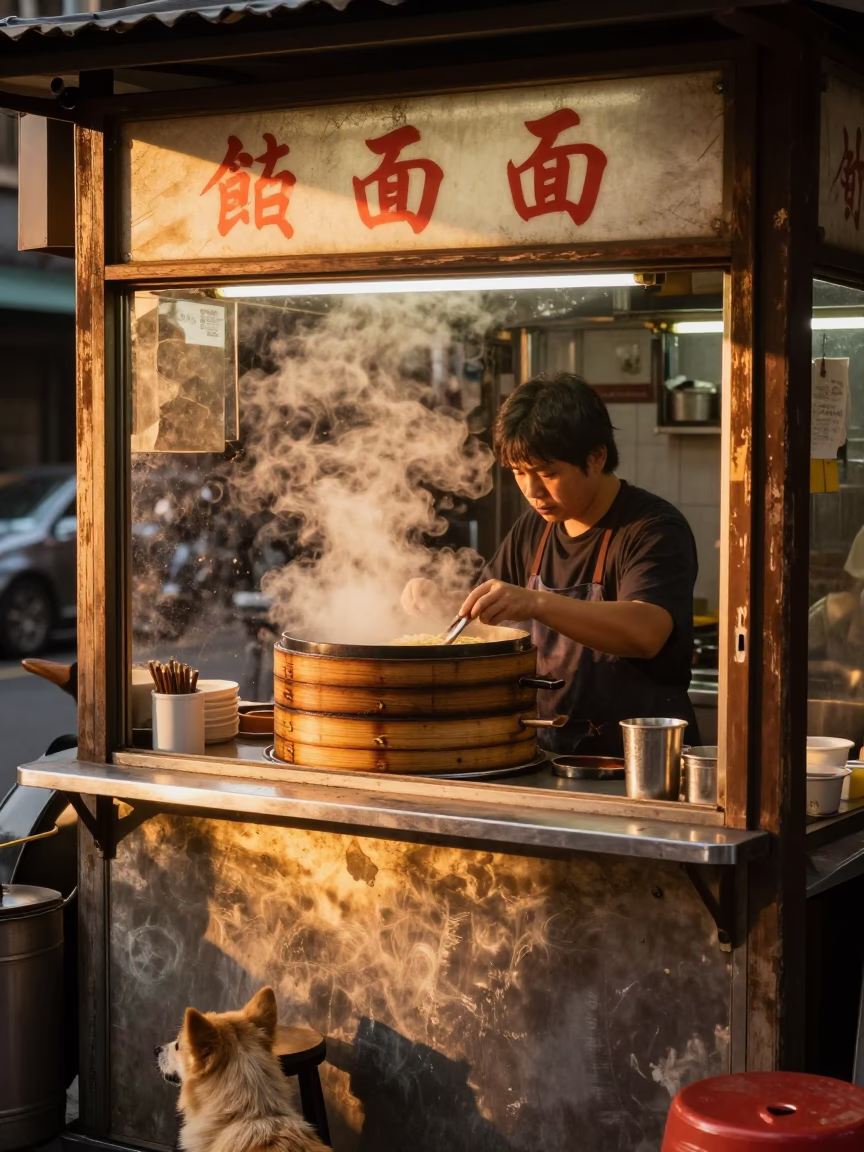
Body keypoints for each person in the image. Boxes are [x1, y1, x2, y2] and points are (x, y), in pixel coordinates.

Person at [402, 372, 699, 756]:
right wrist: (445, 604)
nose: (532, 491)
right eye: (519, 473)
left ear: (596, 457)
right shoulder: (534, 529)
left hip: (639, 765)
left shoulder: (652, 528)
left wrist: (535, 603)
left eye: (548, 473)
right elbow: (488, 621)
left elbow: (645, 633)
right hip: (549, 756)